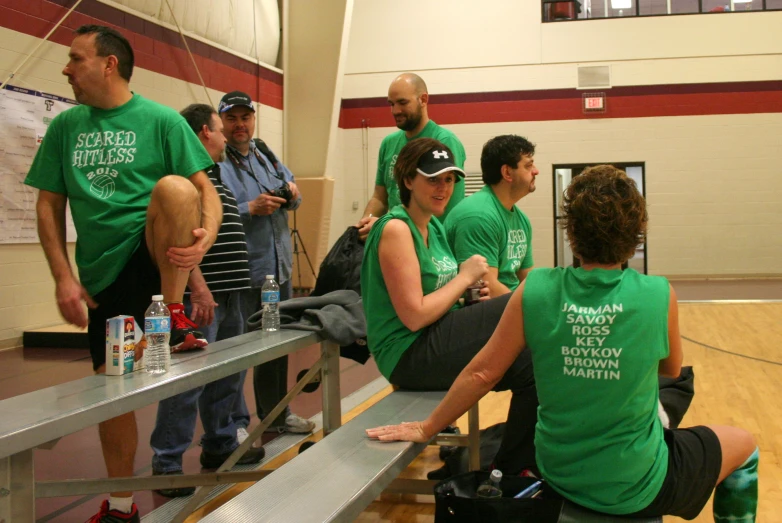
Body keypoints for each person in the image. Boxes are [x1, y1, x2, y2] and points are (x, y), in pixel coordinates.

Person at [368, 165, 758, 521]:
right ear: (636, 234)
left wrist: (427, 427)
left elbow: (483, 372)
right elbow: (670, 370)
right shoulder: (658, 293)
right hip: (635, 483)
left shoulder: (536, 289)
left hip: (557, 472)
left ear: (570, 232)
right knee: (744, 446)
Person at [24, 25, 222, 522]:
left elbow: (206, 192)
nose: (66, 68)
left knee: (177, 190)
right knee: (113, 395)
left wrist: (207, 237)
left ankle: (173, 314)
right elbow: (48, 206)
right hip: (102, 273)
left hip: (150, 253)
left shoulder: (159, 120)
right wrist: (63, 278)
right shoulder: (66, 128)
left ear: (109, 64)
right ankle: (119, 505)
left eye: (75, 58)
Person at [361, 137, 538, 475]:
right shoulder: (396, 229)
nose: (443, 187)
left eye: (449, 179)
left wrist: (470, 293)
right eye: (433, 179)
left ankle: (514, 467)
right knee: (521, 304)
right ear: (408, 180)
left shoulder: (435, 227)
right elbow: (414, 316)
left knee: (534, 369)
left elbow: (445, 295)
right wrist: (466, 277)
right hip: (407, 354)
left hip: (435, 337)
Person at [149, 104, 265, 498]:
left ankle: (219, 443)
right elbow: (181, 243)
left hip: (232, 291)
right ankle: (167, 460)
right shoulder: (182, 180)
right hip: (205, 295)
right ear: (203, 132)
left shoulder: (212, 175)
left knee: (228, 373)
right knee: (188, 382)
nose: (225, 136)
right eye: (220, 128)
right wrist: (197, 286)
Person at [217, 91, 315, 435]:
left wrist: (294, 196)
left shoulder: (264, 154)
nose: (240, 125)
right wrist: (249, 209)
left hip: (278, 268)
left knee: (277, 343)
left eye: (245, 118)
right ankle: (234, 423)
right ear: (221, 123)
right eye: (232, 119)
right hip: (245, 271)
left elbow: (293, 195)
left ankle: (276, 413)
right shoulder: (217, 162)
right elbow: (212, 211)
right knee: (239, 349)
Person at [356, 73, 466, 240]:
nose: (395, 111)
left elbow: (449, 207)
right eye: (391, 104)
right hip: (394, 236)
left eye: (402, 102)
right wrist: (365, 224)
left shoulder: (444, 141)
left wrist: (387, 226)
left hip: (430, 241)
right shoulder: (389, 143)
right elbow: (380, 197)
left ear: (423, 100)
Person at [445, 135, 537, 297]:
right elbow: (487, 288)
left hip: (507, 304)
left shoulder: (521, 219)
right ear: (507, 172)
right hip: (483, 311)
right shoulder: (478, 216)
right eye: (529, 166)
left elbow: (527, 279)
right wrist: (527, 313)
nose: (536, 171)